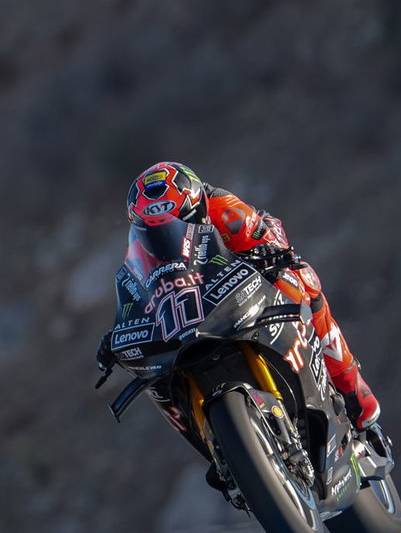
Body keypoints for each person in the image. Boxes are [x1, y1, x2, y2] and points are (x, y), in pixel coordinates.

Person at [101, 160, 382, 430]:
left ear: (196, 206)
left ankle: (351, 385)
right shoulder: (137, 253)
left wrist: (270, 250)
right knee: (154, 372)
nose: (162, 237)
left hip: (239, 292)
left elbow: (268, 235)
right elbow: (134, 297)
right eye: (152, 230)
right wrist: (118, 335)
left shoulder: (223, 207)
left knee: (302, 277)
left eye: (176, 220)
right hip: (188, 322)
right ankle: (212, 443)